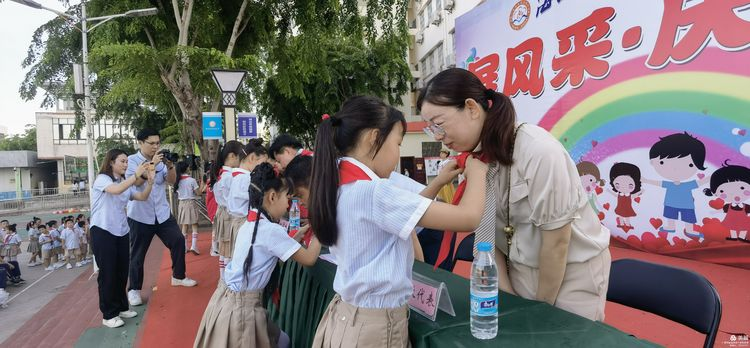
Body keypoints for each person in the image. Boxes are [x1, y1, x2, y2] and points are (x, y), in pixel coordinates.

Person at [417, 68, 611, 321]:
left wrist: (540, 309)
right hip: (517, 269)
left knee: (559, 335)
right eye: (431, 129)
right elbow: (485, 234)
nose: (439, 137)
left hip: (570, 273)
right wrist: (505, 292)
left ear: (472, 108)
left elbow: (557, 242)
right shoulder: (475, 162)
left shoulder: (538, 151)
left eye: (439, 124)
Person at [309, 96, 487, 347]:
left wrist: (437, 183)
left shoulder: (341, 186)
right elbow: (469, 218)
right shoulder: (374, 193)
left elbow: (405, 217)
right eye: (398, 143)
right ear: (373, 138)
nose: (398, 153)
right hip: (375, 329)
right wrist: (478, 170)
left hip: (348, 318)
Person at [194, 163, 321, 348]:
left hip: (226, 301)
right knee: (281, 341)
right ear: (272, 196)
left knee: (282, 340)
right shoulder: (270, 230)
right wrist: (321, 228)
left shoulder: (251, 222)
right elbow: (309, 258)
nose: (289, 204)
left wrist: (299, 233)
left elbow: (271, 246)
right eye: (287, 197)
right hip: (242, 311)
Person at [126, 129, 197, 307]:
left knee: (178, 240)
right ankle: (134, 290)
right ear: (141, 143)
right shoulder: (132, 161)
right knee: (138, 254)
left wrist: (170, 165)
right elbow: (136, 182)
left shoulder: (161, 160)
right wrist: (151, 164)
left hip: (162, 213)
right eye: (152, 143)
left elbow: (172, 181)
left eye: (158, 143)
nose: (156, 146)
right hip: (140, 215)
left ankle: (178, 276)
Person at [92, 148, 156, 328]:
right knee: (108, 274)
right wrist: (135, 176)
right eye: (122, 161)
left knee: (121, 272)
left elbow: (142, 197)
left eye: (127, 161)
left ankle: (121, 307)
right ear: (111, 162)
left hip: (121, 231)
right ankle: (108, 314)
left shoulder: (124, 182)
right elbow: (117, 190)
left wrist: (149, 182)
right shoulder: (103, 179)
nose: (126, 164)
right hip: (103, 231)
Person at [225, 139, 269, 264]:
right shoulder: (245, 178)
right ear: (252, 158)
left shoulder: (236, 176)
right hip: (244, 223)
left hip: (237, 222)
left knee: (238, 259)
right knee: (244, 260)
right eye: (263, 163)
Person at [209, 140, 245, 279]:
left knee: (225, 250)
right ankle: (227, 281)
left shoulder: (221, 173)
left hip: (223, 213)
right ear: (232, 156)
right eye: (240, 157)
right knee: (230, 250)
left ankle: (224, 280)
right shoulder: (229, 177)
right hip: (229, 214)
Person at [175, 161, 205, 255]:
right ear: (186, 168)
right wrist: (202, 184)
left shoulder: (177, 180)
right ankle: (194, 246)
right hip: (191, 203)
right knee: (194, 224)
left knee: (184, 225)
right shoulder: (191, 180)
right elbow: (198, 193)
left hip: (182, 204)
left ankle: (184, 247)